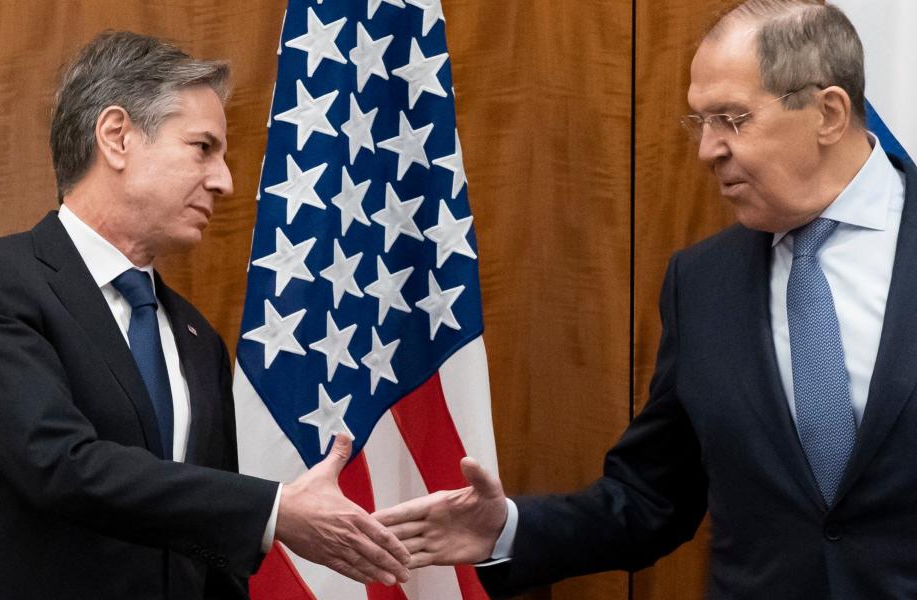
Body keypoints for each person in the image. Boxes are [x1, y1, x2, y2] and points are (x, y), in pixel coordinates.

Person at [374, 1, 917, 597]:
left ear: (828, 113)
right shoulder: (703, 282)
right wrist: (507, 531)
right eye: (700, 123)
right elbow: (653, 496)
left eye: (731, 119)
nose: (708, 149)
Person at [0, 31, 409, 599]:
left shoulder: (196, 338)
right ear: (117, 137)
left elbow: (209, 545)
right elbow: (59, 466)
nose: (225, 181)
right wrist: (273, 509)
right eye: (203, 148)